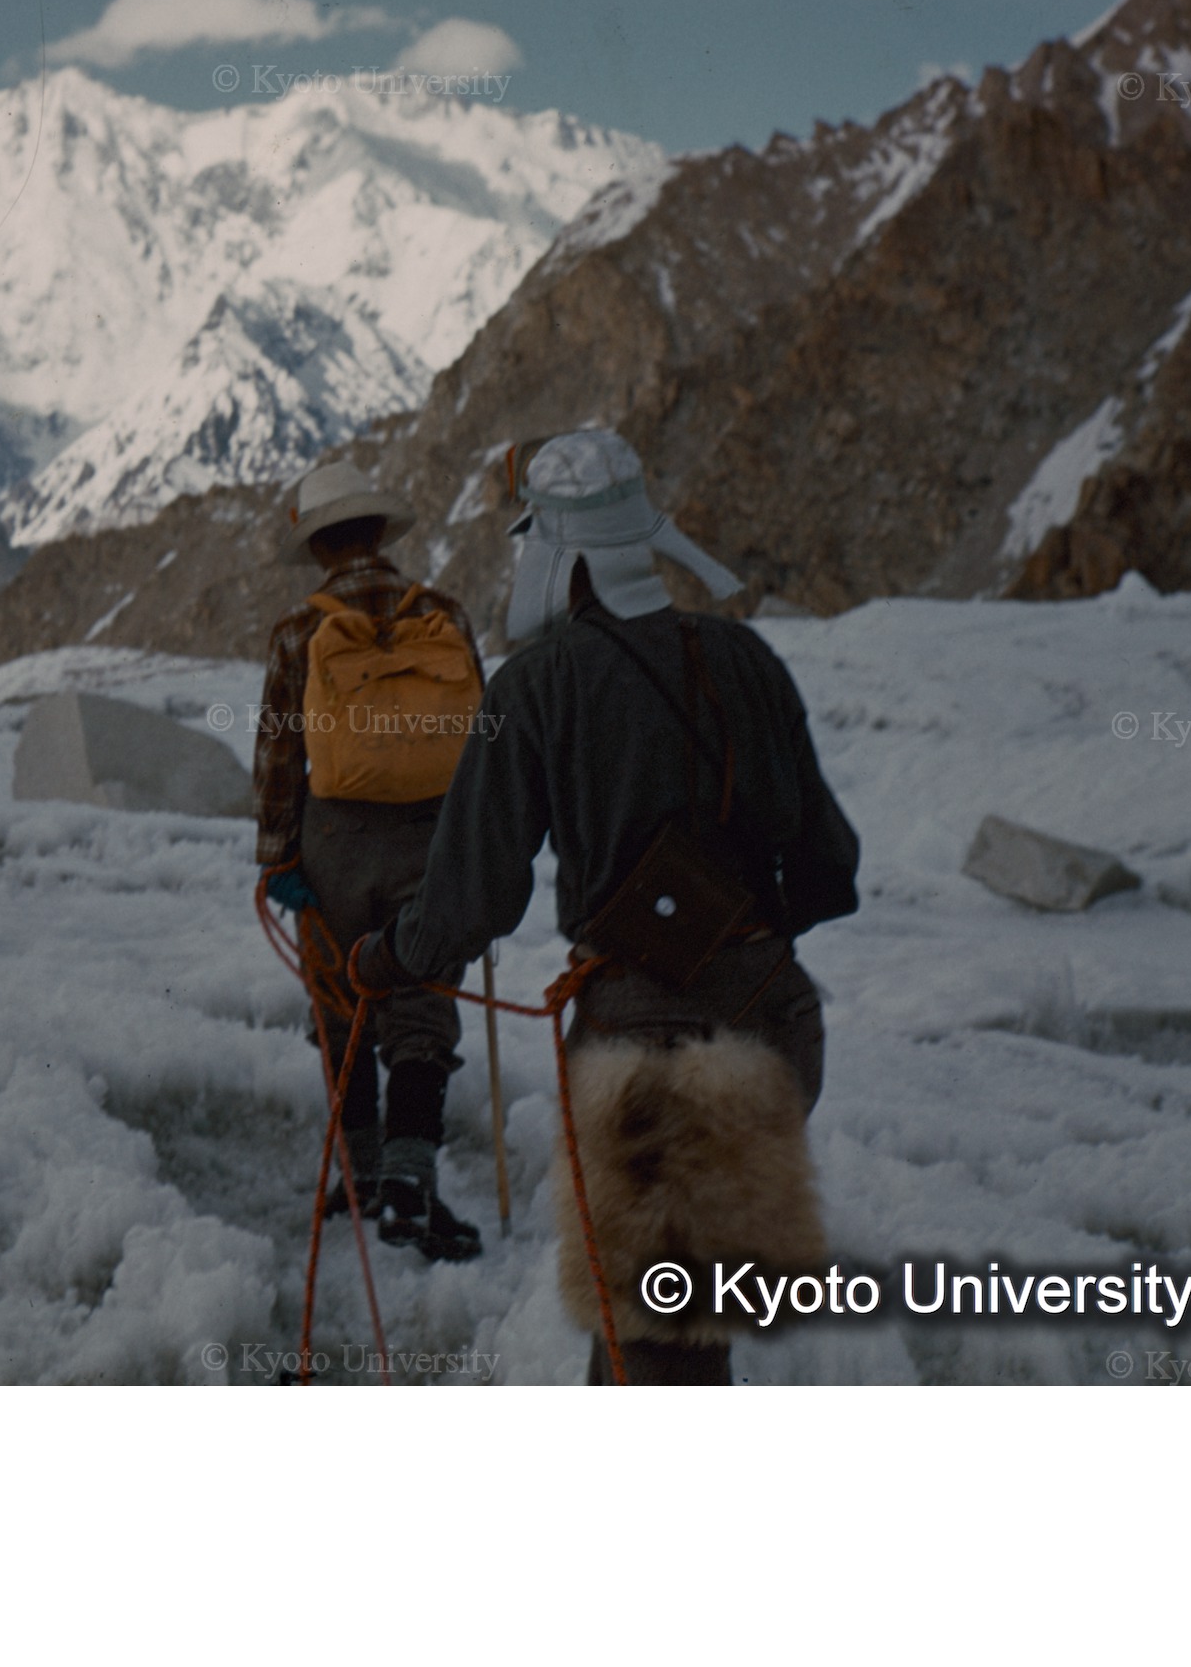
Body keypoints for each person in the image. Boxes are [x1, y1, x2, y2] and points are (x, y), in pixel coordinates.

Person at [349, 428, 861, 1379]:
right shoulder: (747, 658)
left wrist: (386, 957)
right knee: (690, 1333)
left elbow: (471, 900)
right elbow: (832, 869)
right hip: (776, 1030)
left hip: (647, 1055)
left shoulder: (532, 686)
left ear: (553, 554)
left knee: (645, 1349)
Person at [254, 459, 487, 1262]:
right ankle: (411, 1187)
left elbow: (279, 756)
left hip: (335, 847)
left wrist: (277, 858)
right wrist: (478, 856)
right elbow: (482, 744)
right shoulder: (446, 617)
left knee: (342, 1007)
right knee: (421, 1010)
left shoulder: (298, 634)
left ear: (319, 548)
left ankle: (358, 1179)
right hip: (433, 841)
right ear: (382, 535)